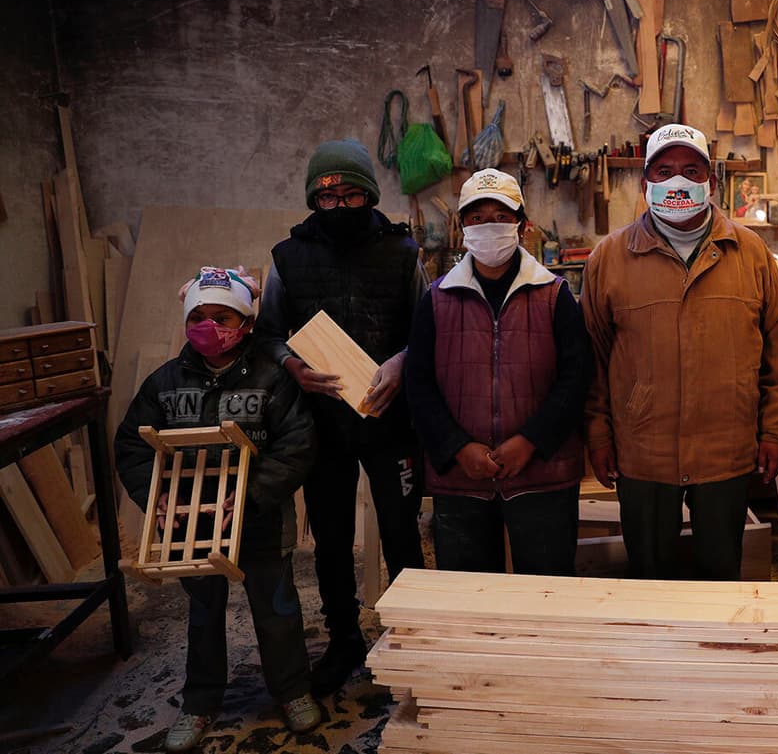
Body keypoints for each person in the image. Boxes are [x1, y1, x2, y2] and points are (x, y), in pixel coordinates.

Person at [581, 123, 778, 581]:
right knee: (650, 573)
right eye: (663, 171)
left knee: (721, 573)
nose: (676, 181)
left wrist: (775, 431)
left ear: (711, 182)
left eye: (690, 170)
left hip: (726, 449)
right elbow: (593, 360)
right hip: (644, 451)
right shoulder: (609, 258)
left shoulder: (751, 253)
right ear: (645, 185)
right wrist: (598, 435)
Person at [115, 267, 321, 752]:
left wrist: (248, 497)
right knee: (203, 617)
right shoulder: (164, 382)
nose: (209, 326)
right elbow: (132, 445)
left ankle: (292, 692)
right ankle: (201, 702)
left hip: (261, 521)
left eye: (222, 317)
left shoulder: (274, 379)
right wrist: (158, 497)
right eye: (199, 317)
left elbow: (297, 445)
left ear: (246, 322)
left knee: (278, 612)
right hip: (195, 526)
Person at [256, 138, 426, 697]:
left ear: (370, 195)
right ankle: (345, 639)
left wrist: (402, 363)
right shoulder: (288, 256)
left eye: (352, 196)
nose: (339, 209)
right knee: (329, 539)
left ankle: (412, 636)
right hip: (321, 423)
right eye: (326, 200)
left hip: (388, 416)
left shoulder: (403, 251)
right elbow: (269, 334)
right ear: (313, 201)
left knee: (402, 533)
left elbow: (427, 328)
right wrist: (293, 368)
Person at [404, 169, 593, 574]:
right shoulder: (437, 299)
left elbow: (576, 378)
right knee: (471, 600)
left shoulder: (555, 296)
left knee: (547, 592)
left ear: (522, 226)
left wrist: (530, 441)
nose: (488, 225)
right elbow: (418, 384)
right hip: (461, 479)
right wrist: (457, 447)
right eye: (477, 217)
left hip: (543, 473)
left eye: (501, 216)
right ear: (462, 227)